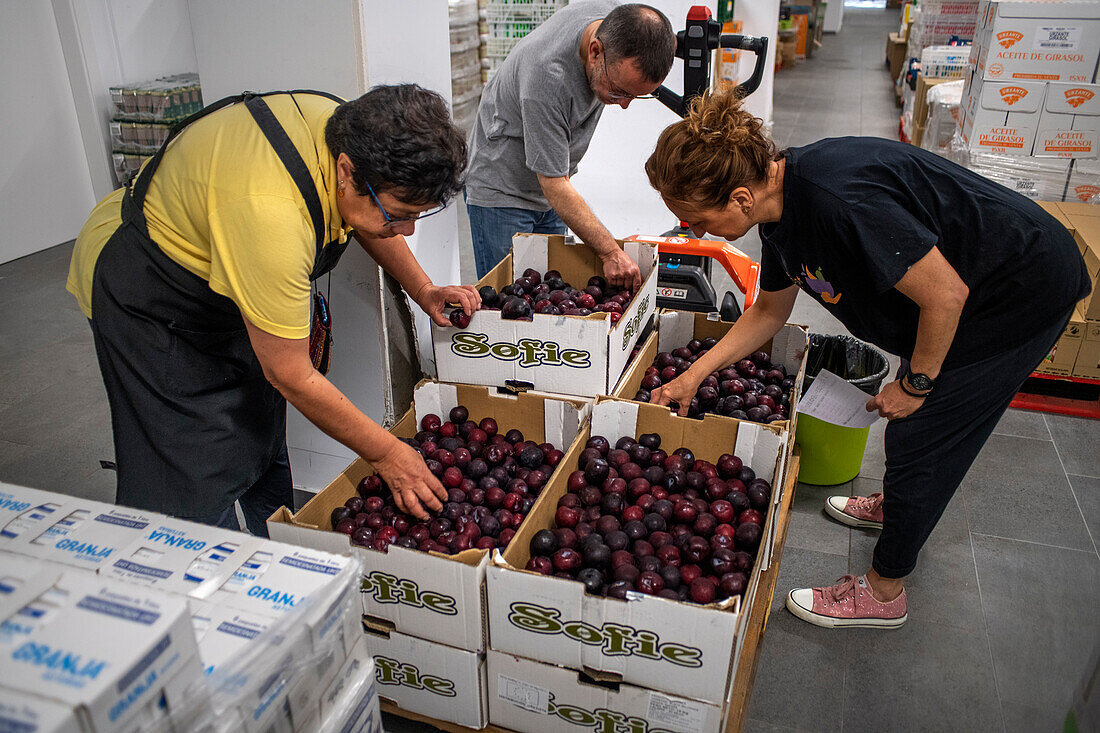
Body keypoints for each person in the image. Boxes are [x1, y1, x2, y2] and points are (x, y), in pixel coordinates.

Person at [644, 88, 1090, 629]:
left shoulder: (841, 202)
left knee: (924, 434)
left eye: (697, 219)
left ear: (739, 197)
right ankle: (900, 504)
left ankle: (884, 593)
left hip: (1018, 289)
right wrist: (693, 376)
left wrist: (918, 384)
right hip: (964, 291)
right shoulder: (779, 216)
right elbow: (767, 313)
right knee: (912, 423)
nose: (693, 231)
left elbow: (945, 297)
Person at [67, 85, 479, 536]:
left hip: (225, 277)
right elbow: (291, 374)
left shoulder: (351, 132)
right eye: (397, 214)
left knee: (257, 426)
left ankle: (276, 545)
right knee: (185, 463)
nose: (404, 230)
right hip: (150, 294)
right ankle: (199, 569)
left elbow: (369, 218)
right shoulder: (270, 219)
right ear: (347, 171)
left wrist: (423, 288)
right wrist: (388, 454)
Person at [465, 1, 676, 288]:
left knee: (552, 294)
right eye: (619, 92)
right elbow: (554, 184)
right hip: (503, 192)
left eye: (636, 96)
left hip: (551, 186)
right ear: (595, 52)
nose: (624, 105)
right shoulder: (547, 78)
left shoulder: (614, 19)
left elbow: (556, 184)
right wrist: (611, 252)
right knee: (511, 302)